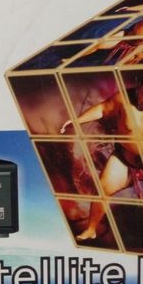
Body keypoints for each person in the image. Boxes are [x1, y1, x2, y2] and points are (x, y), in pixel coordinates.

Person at [60, 79, 143, 240]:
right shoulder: (123, 99)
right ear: (139, 88)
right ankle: (91, 230)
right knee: (102, 189)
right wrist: (77, 121)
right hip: (125, 158)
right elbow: (103, 109)